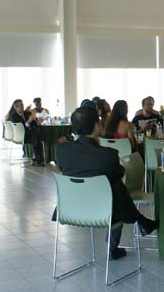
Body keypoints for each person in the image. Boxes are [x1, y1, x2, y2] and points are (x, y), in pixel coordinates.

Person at [56, 107, 157, 259]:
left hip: (71, 208)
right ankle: (126, 235)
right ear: (97, 126)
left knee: (114, 188)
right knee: (116, 188)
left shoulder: (61, 151)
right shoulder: (108, 155)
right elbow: (120, 173)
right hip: (103, 210)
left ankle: (141, 222)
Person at [6, 99, 44, 165]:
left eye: (23, 105)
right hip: (20, 136)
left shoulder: (25, 113)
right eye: (20, 105)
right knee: (35, 136)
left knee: (36, 134)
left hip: (27, 134)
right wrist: (28, 122)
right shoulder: (14, 116)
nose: (22, 107)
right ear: (15, 107)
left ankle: (37, 158)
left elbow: (33, 123)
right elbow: (21, 128)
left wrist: (37, 123)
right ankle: (38, 159)